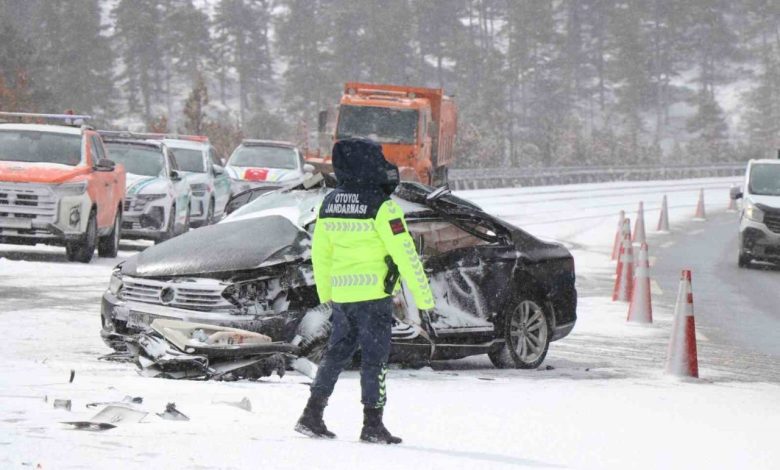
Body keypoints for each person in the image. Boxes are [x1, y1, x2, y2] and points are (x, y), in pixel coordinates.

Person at [295, 138, 435, 444]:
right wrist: (424, 299)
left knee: (335, 356)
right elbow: (406, 255)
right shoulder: (383, 207)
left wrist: (326, 294)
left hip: (343, 298)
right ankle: (373, 424)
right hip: (373, 298)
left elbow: (321, 255)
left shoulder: (329, 203)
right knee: (375, 361)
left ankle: (312, 414)